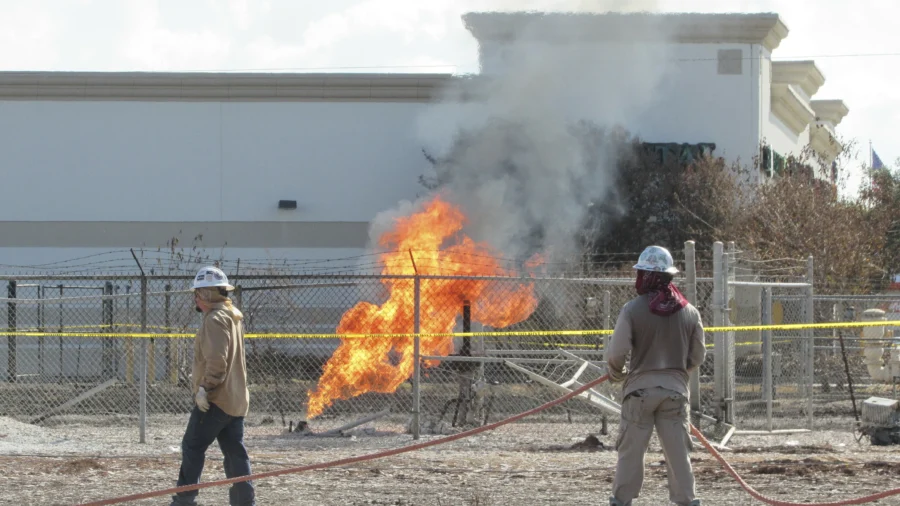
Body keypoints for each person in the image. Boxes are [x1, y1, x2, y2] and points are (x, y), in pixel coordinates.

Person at [606, 246, 705, 506]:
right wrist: (677, 375)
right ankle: (687, 500)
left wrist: (617, 373)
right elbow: (697, 357)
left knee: (631, 451)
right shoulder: (690, 312)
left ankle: (621, 500)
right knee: (678, 452)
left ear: (644, 276)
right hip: (675, 393)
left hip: (639, 392)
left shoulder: (632, 309)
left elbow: (616, 352)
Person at [171, 266, 255, 506]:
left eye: (197, 293)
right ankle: (244, 502)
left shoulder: (215, 319)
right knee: (235, 453)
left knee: (192, 446)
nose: (195, 298)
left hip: (215, 400)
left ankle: (184, 500)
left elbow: (217, 361)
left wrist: (203, 389)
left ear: (206, 295)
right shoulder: (232, 314)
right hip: (236, 400)